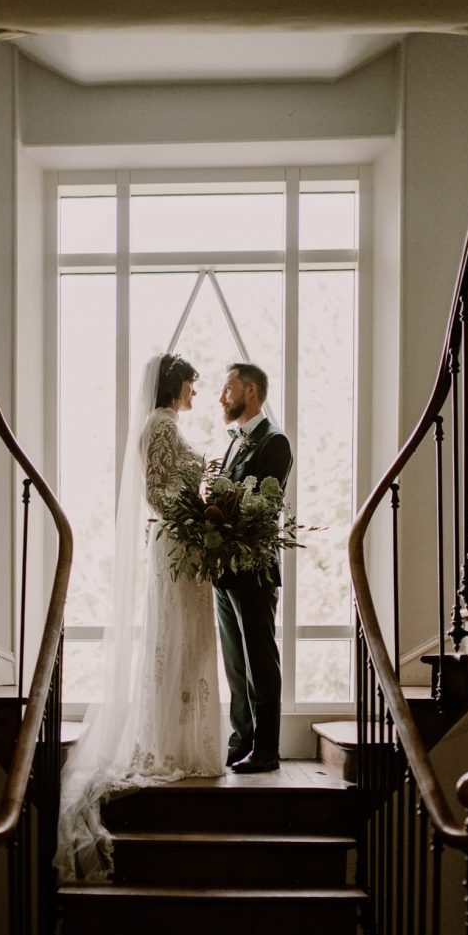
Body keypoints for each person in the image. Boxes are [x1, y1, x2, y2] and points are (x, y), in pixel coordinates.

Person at [55, 353, 224, 883]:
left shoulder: (170, 425)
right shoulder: (158, 425)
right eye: (192, 386)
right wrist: (193, 516)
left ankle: (185, 739)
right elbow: (153, 490)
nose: (196, 394)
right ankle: (169, 743)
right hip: (176, 542)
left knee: (190, 638)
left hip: (188, 544)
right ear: (175, 386)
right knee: (174, 638)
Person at [214, 362, 293, 774]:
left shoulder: (274, 442)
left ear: (251, 390)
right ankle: (240, 739)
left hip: (254, 569)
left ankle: (267, 750)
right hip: (225, 569)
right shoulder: (234, 442)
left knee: (260, 659)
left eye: (228, 389)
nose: (221, 397)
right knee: (234, 660)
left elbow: (262, 507)